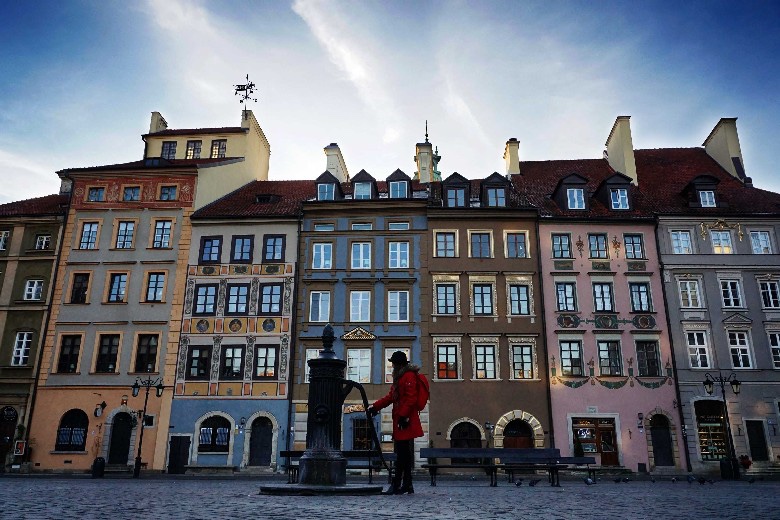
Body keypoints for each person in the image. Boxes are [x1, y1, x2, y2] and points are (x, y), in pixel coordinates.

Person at [367, 350, 423, 495]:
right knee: (403, 454)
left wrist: (404, 416)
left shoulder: (408, 376)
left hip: (405, 420)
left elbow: (411, 398)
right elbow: (391, 396)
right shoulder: (400, 377)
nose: (392, 365)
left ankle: (397, 485)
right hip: (401, 419)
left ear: (398, 364)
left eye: (393, 363)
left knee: (401, 455)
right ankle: (406, 485)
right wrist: (375, 406)